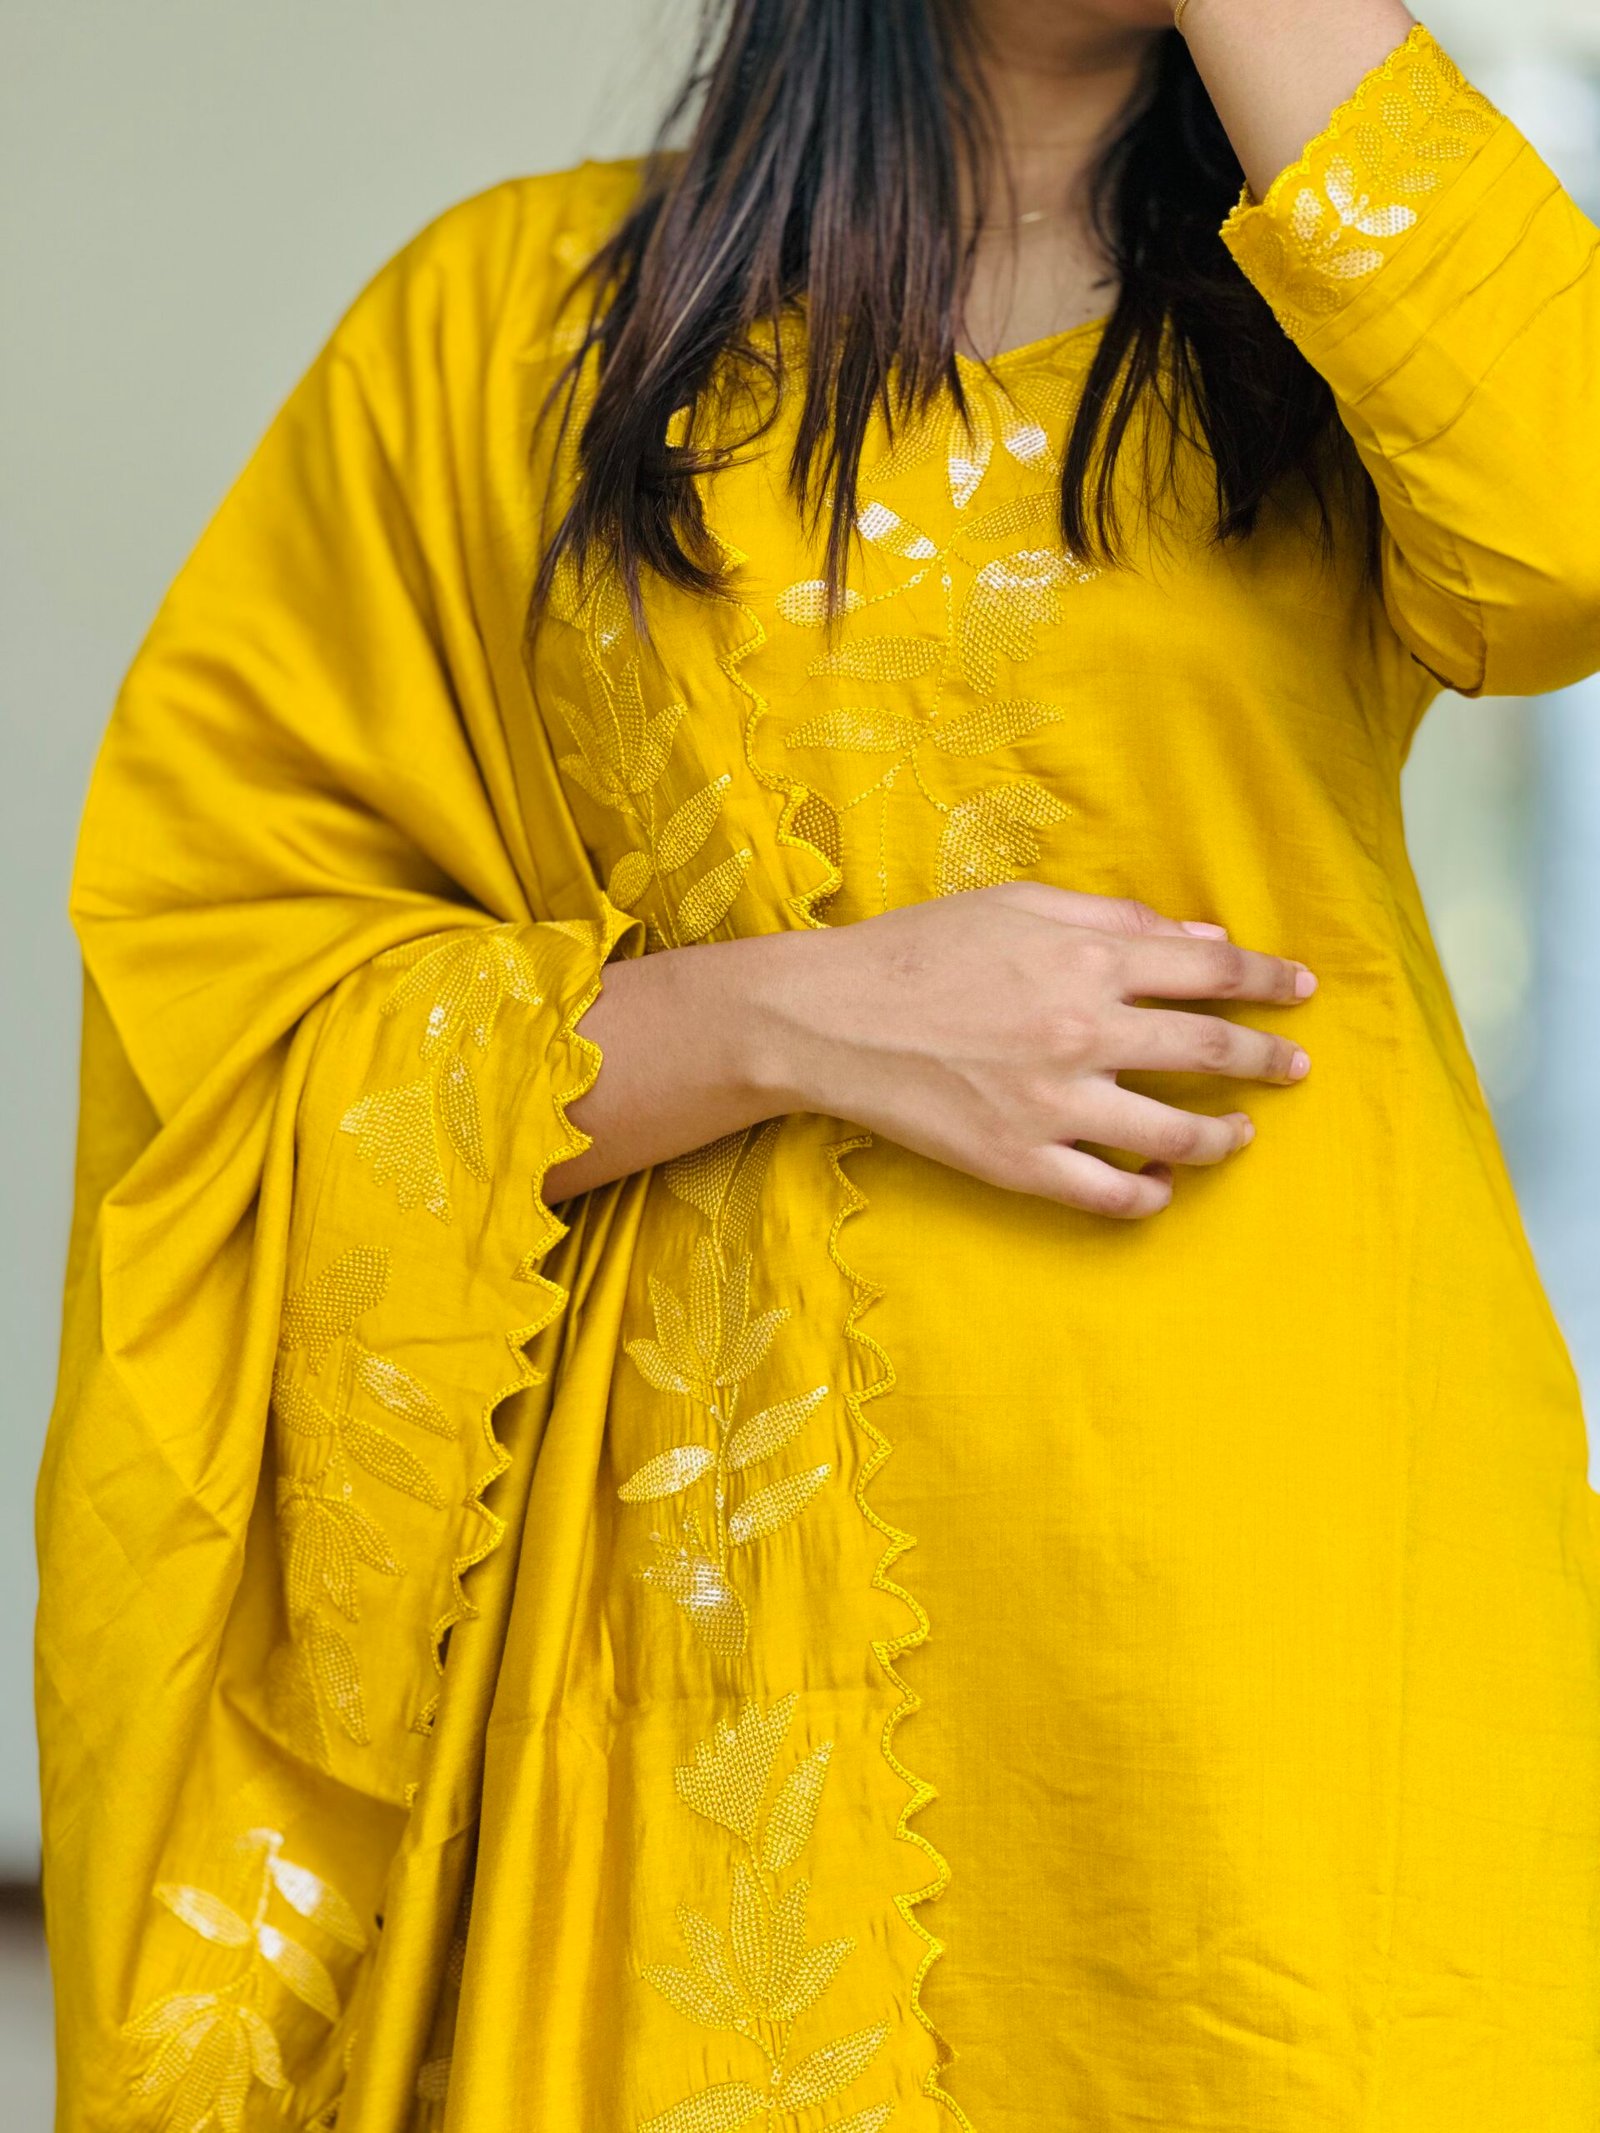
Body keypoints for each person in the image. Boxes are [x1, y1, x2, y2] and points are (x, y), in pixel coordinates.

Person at [36, 0, 1600, 2125]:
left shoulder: (1329, 310)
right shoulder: (506, 333)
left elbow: (1566, 537)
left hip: (1299, 1632)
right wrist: (795, 1014)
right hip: (715, 1663)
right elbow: (235, 1019)